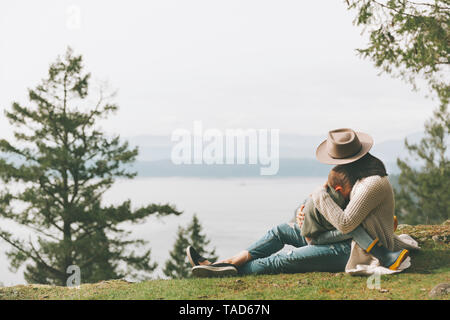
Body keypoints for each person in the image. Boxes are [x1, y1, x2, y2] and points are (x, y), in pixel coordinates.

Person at [188, 128, 418, 277]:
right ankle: (225, 262)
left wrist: (317, 196)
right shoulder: (352, 177)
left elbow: (346, 223)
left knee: (278, 262)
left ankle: (228, 272)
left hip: (354, 249)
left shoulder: (372, 184)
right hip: (336, 236)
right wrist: (305, 212)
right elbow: (329, 203)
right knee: (280, 231)